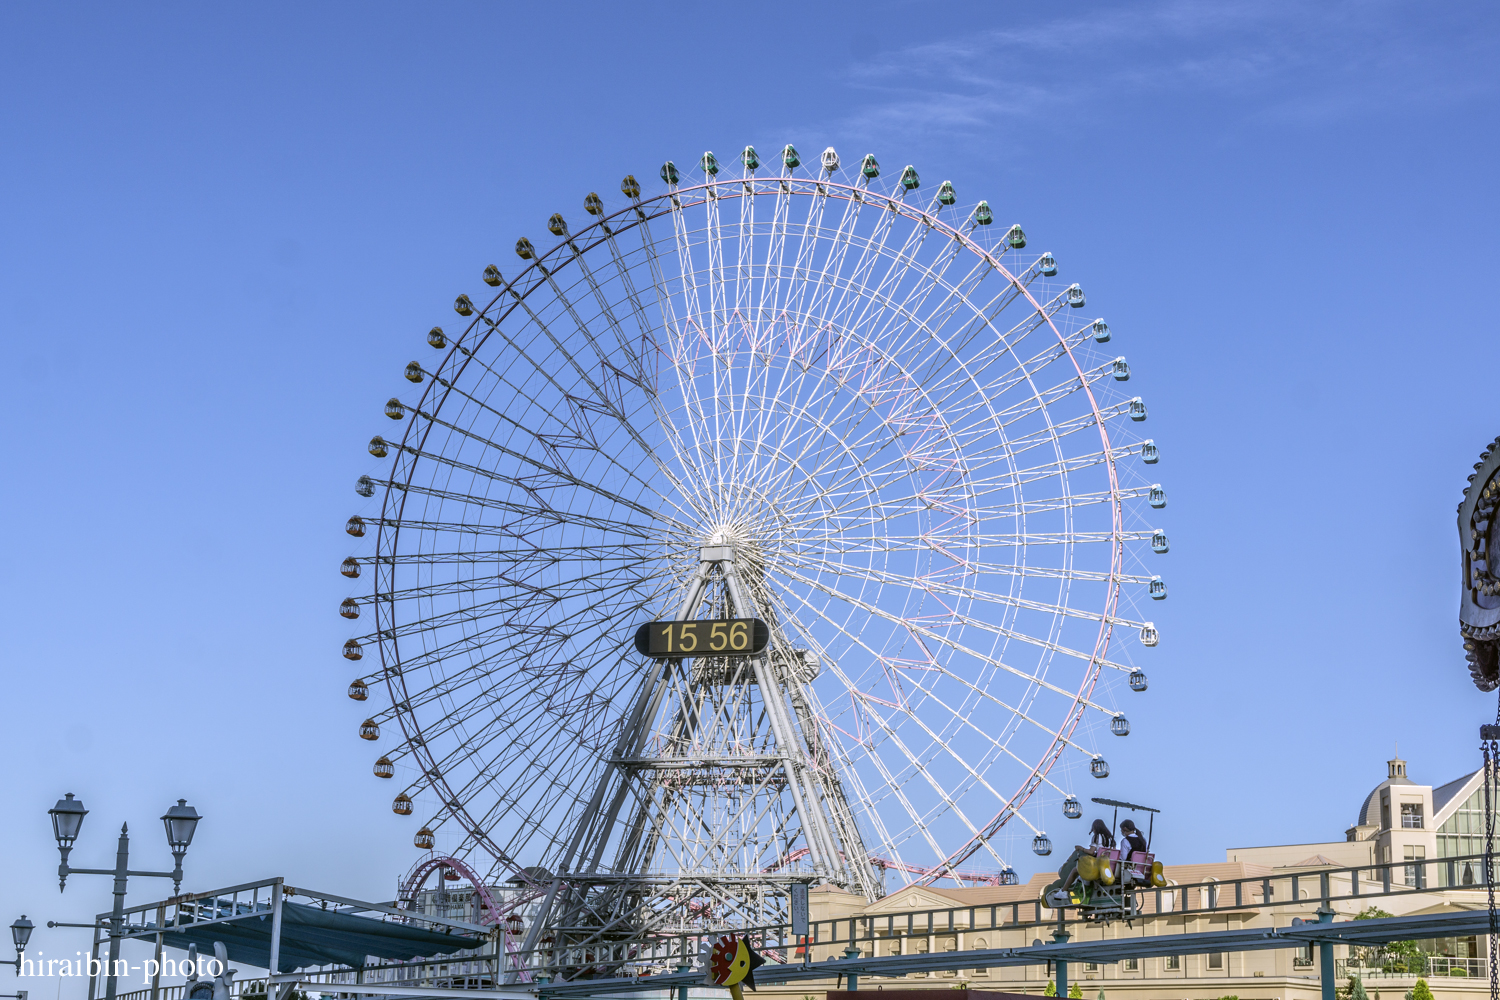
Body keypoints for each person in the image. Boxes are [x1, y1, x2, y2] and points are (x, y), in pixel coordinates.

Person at [1043, 820, 1116, 904]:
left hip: (1096, 867)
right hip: (1108, 867)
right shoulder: (1111, 839)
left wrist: (1081, 848)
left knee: (1075, 870)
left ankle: (1063, 891)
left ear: (1095, 828)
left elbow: (1091, 852)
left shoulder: (1096, 836)